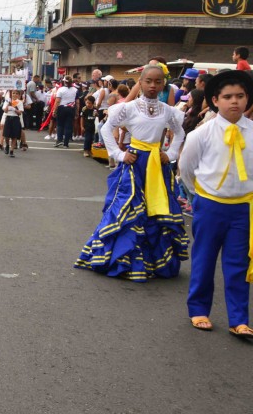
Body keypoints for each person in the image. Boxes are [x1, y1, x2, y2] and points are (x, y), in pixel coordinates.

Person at [76, 65, 189, 282]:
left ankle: (154, 262)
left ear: (163, 83)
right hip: (134, 164)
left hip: (157, 166)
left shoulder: (168, 110)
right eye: (148, 81)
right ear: (141, 82)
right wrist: (119, 155)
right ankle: (122, 259)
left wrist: (171, 153)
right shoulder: (127, 108)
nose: (153, 86)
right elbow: (108, 129)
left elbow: (180, 132)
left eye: (158, 82)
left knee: (156, 212)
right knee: (128, 211)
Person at [178, 70, 253, 338]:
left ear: (248, 100)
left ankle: (239, 319)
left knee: (238, 265)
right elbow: (186, 169)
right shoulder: (202, 133)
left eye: (240, 96)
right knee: (204, 259)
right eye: (228, 96)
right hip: (209, 206)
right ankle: (198, 309)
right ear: (215, 100)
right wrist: (198, 198)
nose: (234, 101)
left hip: (243, 209)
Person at [51, 77, 78, 147]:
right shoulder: (75, 90)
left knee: (60, 125)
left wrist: (54, 110)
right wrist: (77, 112)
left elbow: (57, 101)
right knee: (68, 126)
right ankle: (66, 143)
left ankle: (59, 140)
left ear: (64, 82)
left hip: (61, 108)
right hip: (71, 108)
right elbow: (77, 102)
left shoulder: (61, 89)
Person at [1, 90, 25, 157]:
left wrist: (15, 109)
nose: (14, 94)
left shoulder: (19, 102)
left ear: (19, 95)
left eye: (16, 93)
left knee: (14, 136)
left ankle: (11, 151)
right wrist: (9, 105)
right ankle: (7, 145)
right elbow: (5, 111)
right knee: (6, 135)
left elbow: (20, 112)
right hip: (8, 118)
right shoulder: (8, 100)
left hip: (15, 119)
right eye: (13, 93)